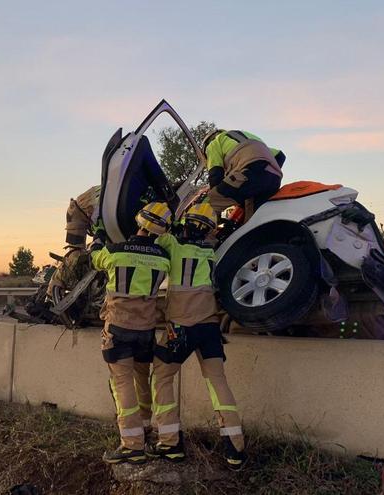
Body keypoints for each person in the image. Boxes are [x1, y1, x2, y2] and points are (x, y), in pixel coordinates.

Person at [148, 202, 248, 468]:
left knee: (162, 376)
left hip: (179, 328)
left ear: (186, 223)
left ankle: (169, 443)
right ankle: (235, 449)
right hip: (209, 328)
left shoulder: (173, 245)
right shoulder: (212, 252)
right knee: (218, 382)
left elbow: (153, 231)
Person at [90, 201, 172, 465]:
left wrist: (98, 240)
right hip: (145, 331)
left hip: (119, 328)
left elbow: (94, 258)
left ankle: (132, 445)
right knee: (142, 378)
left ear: (138, 221)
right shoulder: (163, 258)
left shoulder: (116, 252)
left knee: (121, 383)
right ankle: (146, 428)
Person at [200, 129, 286, 217]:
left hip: (249, 172)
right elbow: (280, 155)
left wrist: (218, 192)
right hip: (274, 178)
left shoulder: (213, 143)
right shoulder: (242, 136)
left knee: (209, 203)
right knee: (252, 218)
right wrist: (266, 171)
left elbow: (215, 173)